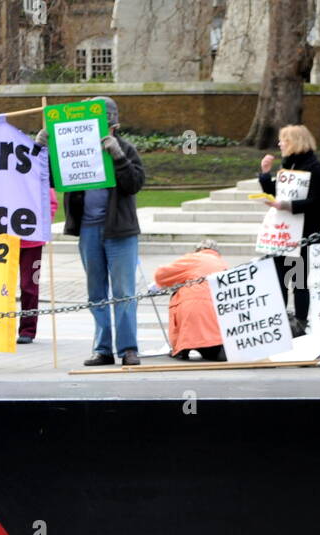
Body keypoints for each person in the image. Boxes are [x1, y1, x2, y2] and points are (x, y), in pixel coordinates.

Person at [61, 97, 146, 366]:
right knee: (96, 292)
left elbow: (134, 184)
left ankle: (128, 348)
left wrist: (118, 156)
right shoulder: (75, 150)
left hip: (120, 231)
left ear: (112, 125)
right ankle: (103, 348)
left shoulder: (126, 149)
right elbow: (52, 177)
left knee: (124, 291)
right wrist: (43, 148)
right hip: (88, 230)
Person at [259, 124, 320, 333]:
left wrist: (288, 206)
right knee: (279, 279)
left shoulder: (314, 168)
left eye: (283, 140)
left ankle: (300, 322)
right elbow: (277, 193)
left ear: (294, 142)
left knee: (299, 281)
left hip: (303, 235)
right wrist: (265, 175)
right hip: (283, 234)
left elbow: (319, 201)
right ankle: (280, 321)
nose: (280, 144)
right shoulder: (289, 165)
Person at [154, 239, 227, 361]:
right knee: (212, 346)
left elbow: (161, 275)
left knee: (181, 295)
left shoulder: (194, 258)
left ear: (198, 250)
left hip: (191, 316)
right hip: (215, 326)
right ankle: (214, 347)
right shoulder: (223, 265)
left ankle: (183, 347)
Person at [17, 189, 58, 344]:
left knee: (29, 286)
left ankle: (28, 329)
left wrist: (43, 226)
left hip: (32, 241)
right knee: (0, 287)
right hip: (2, 240)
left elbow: (51, 202)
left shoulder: (36, 171)